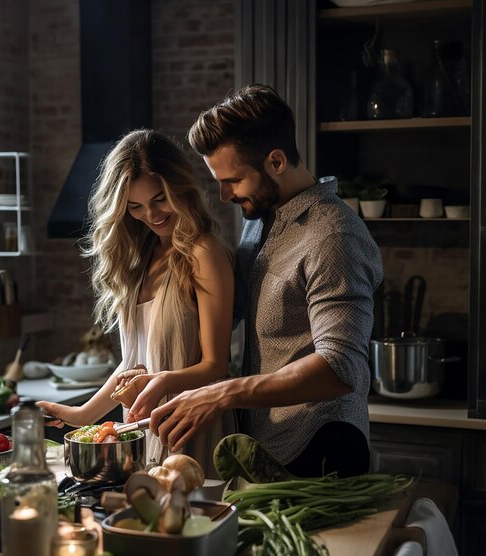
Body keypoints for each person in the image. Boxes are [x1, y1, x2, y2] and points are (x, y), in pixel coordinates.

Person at [143, 84, 384, 478]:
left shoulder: (334, 236)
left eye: (232, 180)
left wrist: (222, 393)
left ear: (275, 161)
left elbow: (342, 368)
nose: (223, 196)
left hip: (322, 448)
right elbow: (226, 314)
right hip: (264, 446)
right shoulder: (261, 221)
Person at [37, 129, 236, 477]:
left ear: (181, 188)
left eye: (160, 199)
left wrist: (162, 382)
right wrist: (81, 414)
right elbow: (133, 364)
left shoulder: (203, 252)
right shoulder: (142, 259)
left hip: (192, 427)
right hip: (149, 427)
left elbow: (215, 367)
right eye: (136, 207)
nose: (151, 214)